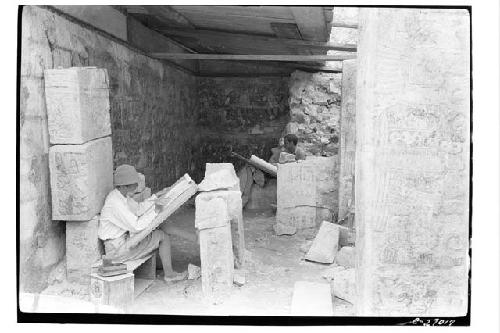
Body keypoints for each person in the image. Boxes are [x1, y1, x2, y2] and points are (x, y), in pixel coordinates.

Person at [98, 164, 191, 282]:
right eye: (134, 185)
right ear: (124, 186)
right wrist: (156, 210)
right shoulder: (115, 203)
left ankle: (190, 241)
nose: (136, 187)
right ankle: (170, 275)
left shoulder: (120, 196)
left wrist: (156, 197)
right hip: (116, 250)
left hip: (122, 241)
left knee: (160, 227)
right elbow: (137, 226)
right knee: (162, 237)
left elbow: (138, 209)